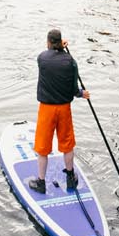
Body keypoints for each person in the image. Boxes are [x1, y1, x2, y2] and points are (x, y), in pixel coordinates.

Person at [27, 28, 89, 195]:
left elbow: (50, 54)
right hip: (64, 109)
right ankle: (70, 177)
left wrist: (58, 47)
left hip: (46, 109)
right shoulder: (71, 62)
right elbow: (74, 89)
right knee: (67, 145)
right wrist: (82, 94)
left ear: (48, 42)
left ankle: (41, 182)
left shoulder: (41, 59)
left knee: (43, 147)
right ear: (61, 42)